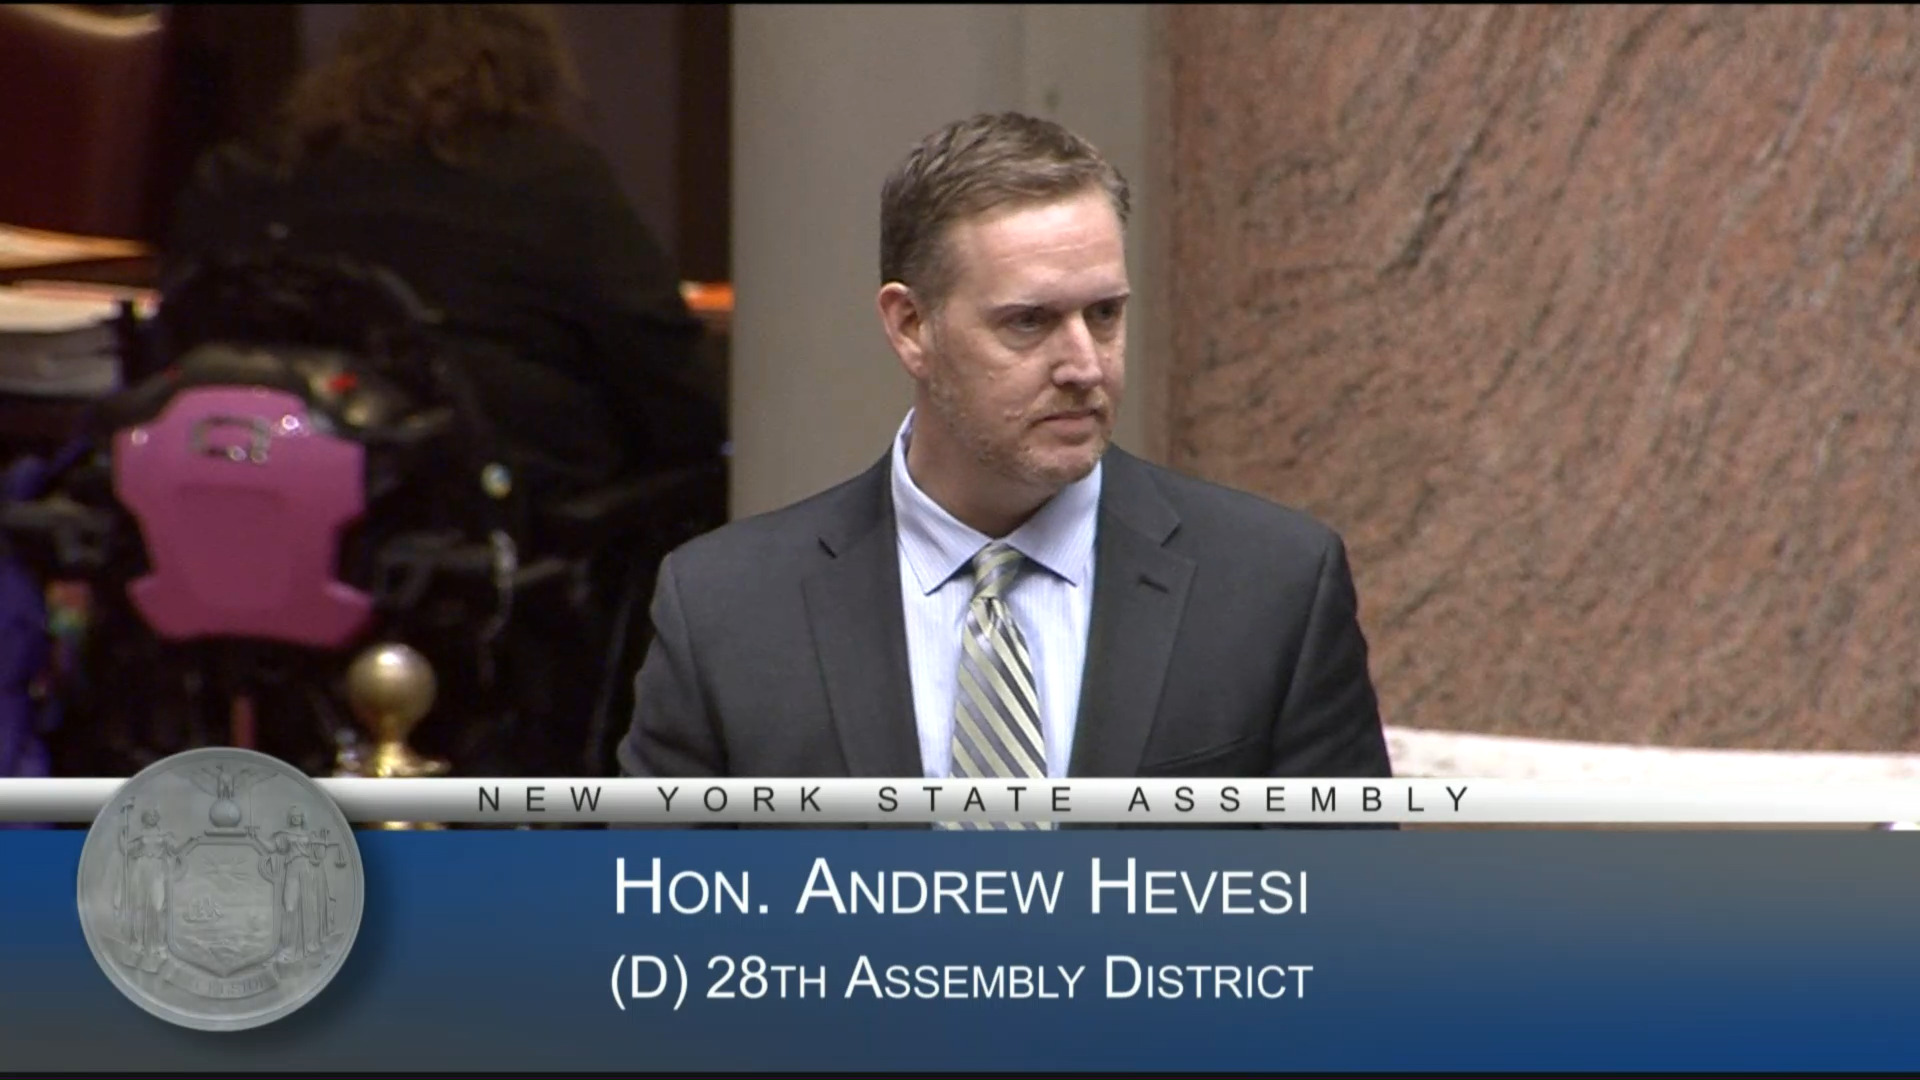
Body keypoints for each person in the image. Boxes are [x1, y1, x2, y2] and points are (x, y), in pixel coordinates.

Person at [618, 112, 1391, 801]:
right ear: (911, 326)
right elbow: (665, 906)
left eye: (1105, 314)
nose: (1084, 365)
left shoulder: (1273, 589)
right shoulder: (728, 611)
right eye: (1029, 322)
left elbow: (1342, 906)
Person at [161, 4, 720, 496]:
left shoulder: (243, 177)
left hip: (245, 494)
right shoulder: (550, 182)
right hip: (492, 521)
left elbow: (177, 348)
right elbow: (672, 386)